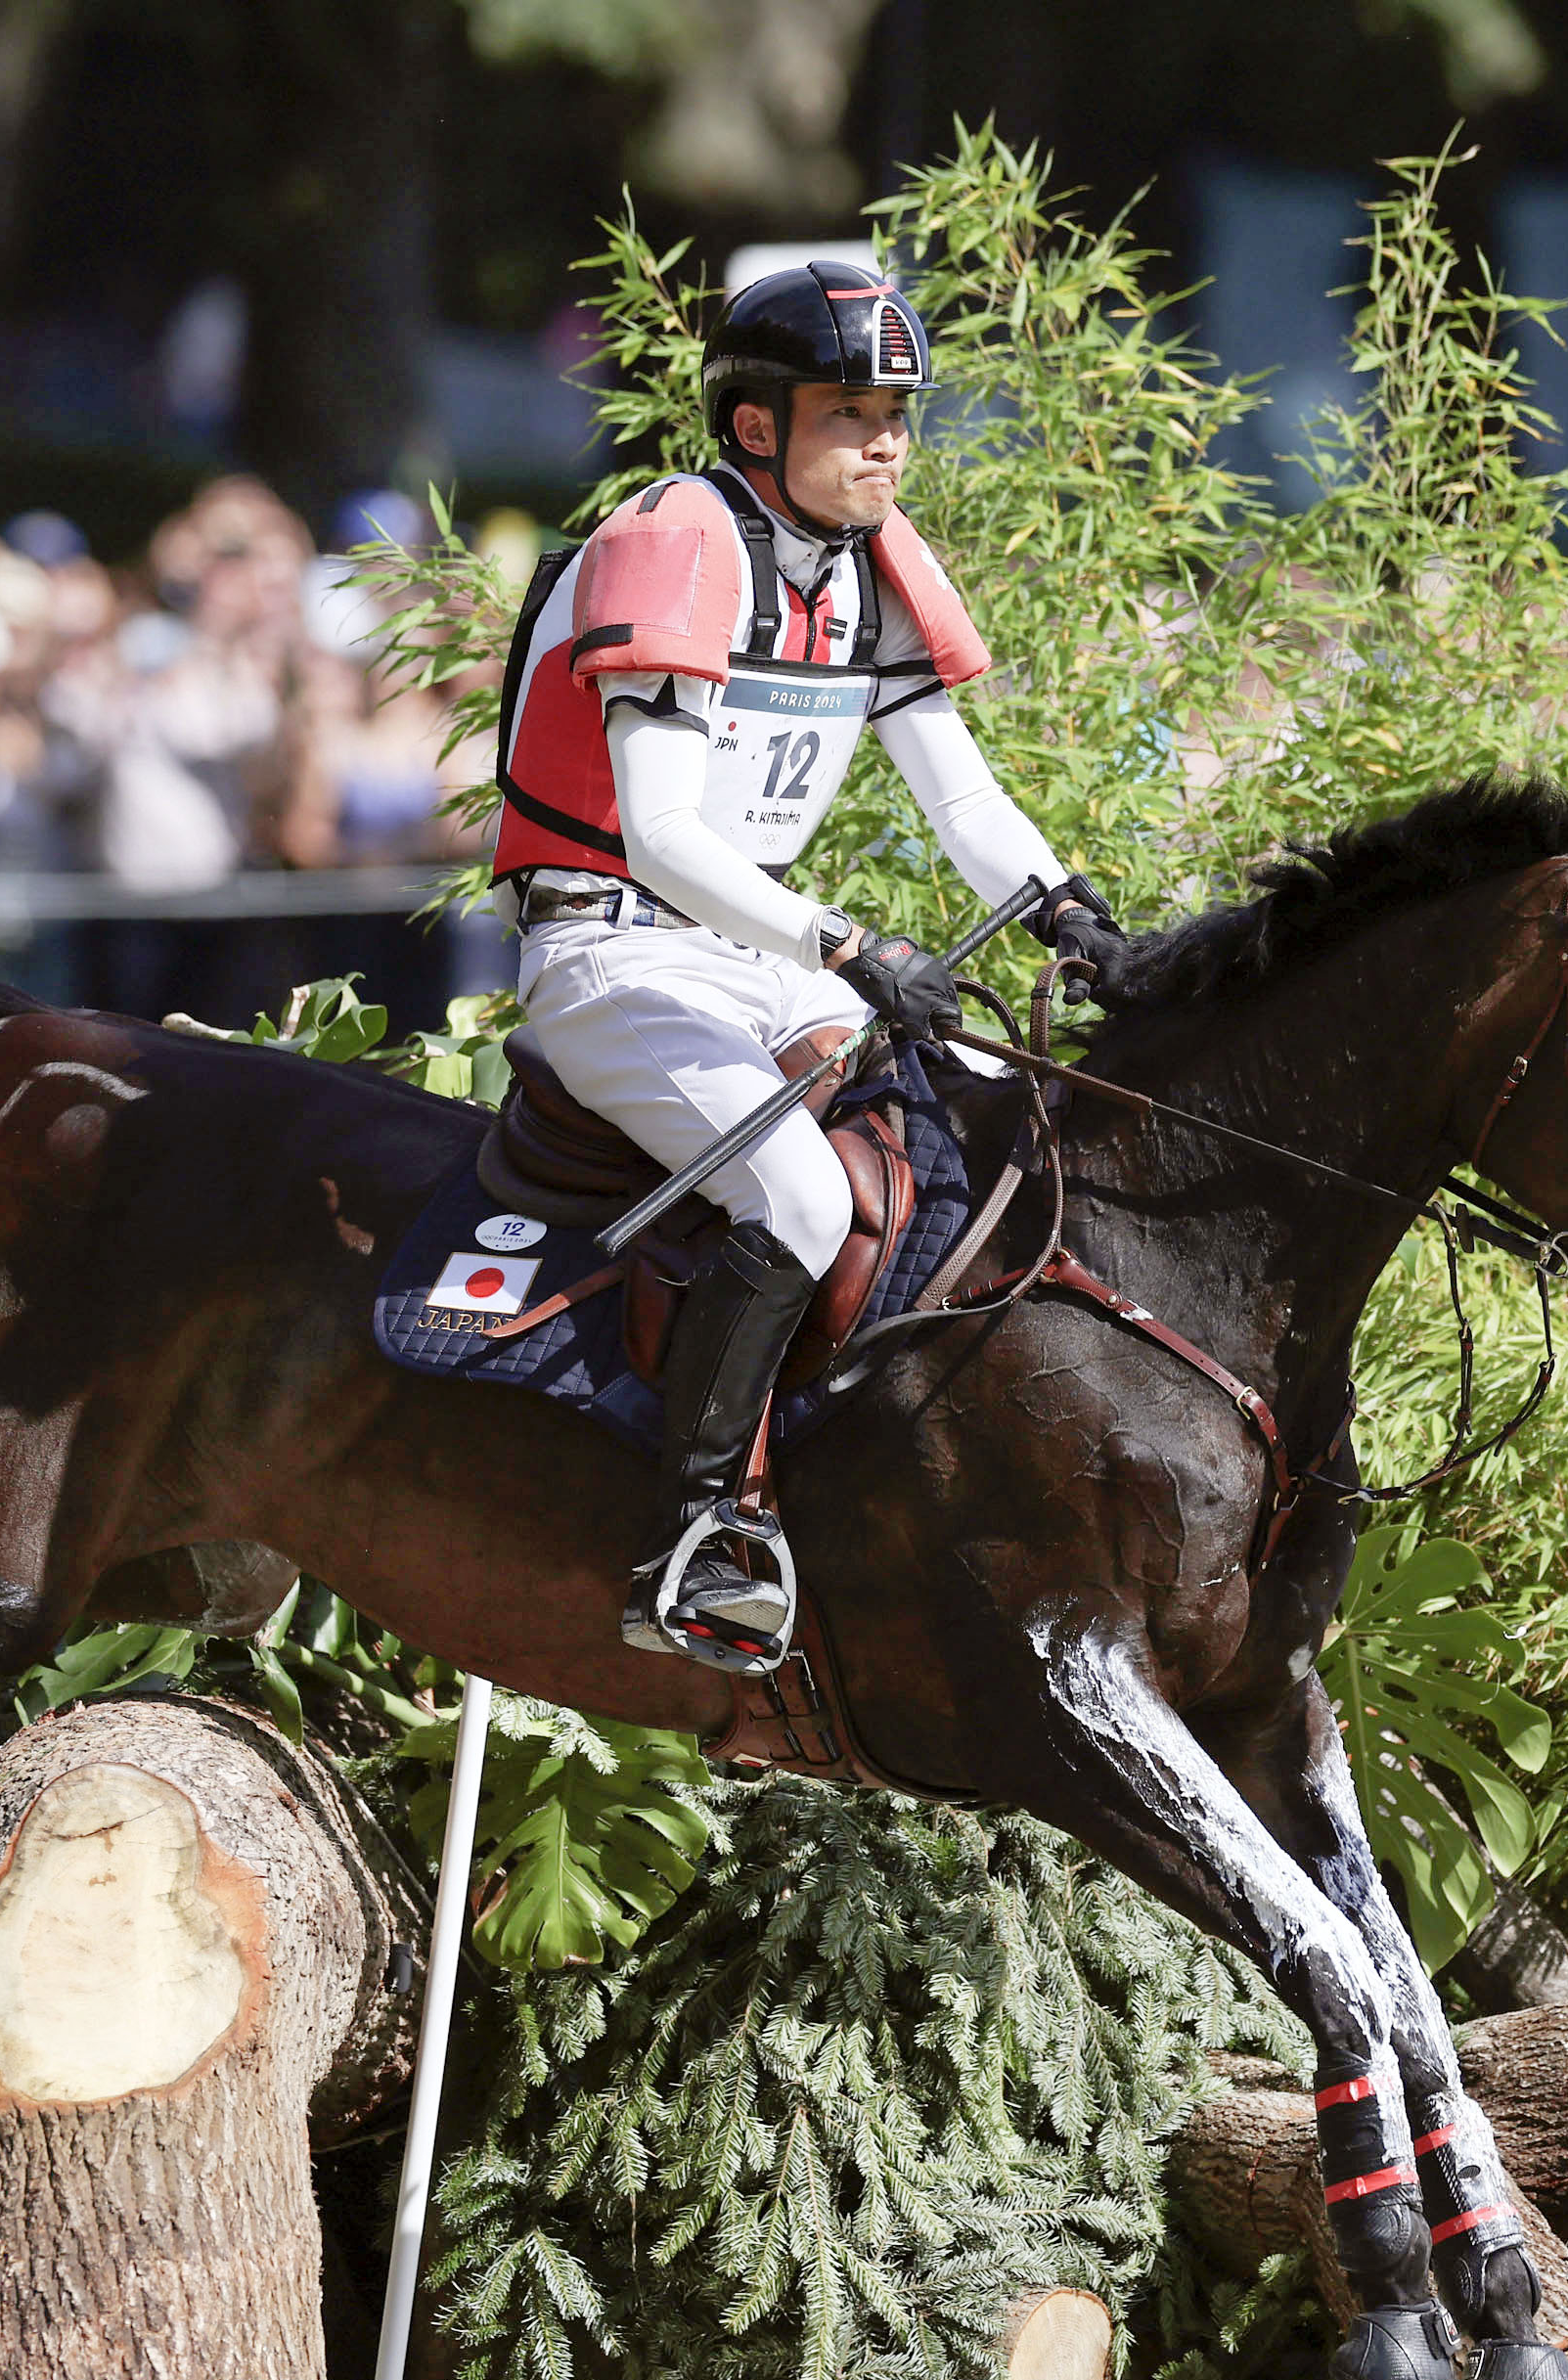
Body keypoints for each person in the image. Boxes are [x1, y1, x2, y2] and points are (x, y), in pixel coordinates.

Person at [485, 259, 1133, 1674]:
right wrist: (851, 946)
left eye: (898, 411)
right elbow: (657, 837)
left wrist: (1069, 911)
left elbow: (964, 807)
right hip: (612, 954)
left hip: (756, 954)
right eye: (852, 412)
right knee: (792, 1190)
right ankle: (698, 1533)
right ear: (758, 425)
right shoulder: (673, 539)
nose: (888, 441)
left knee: (983, 1106)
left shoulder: (873, 563)